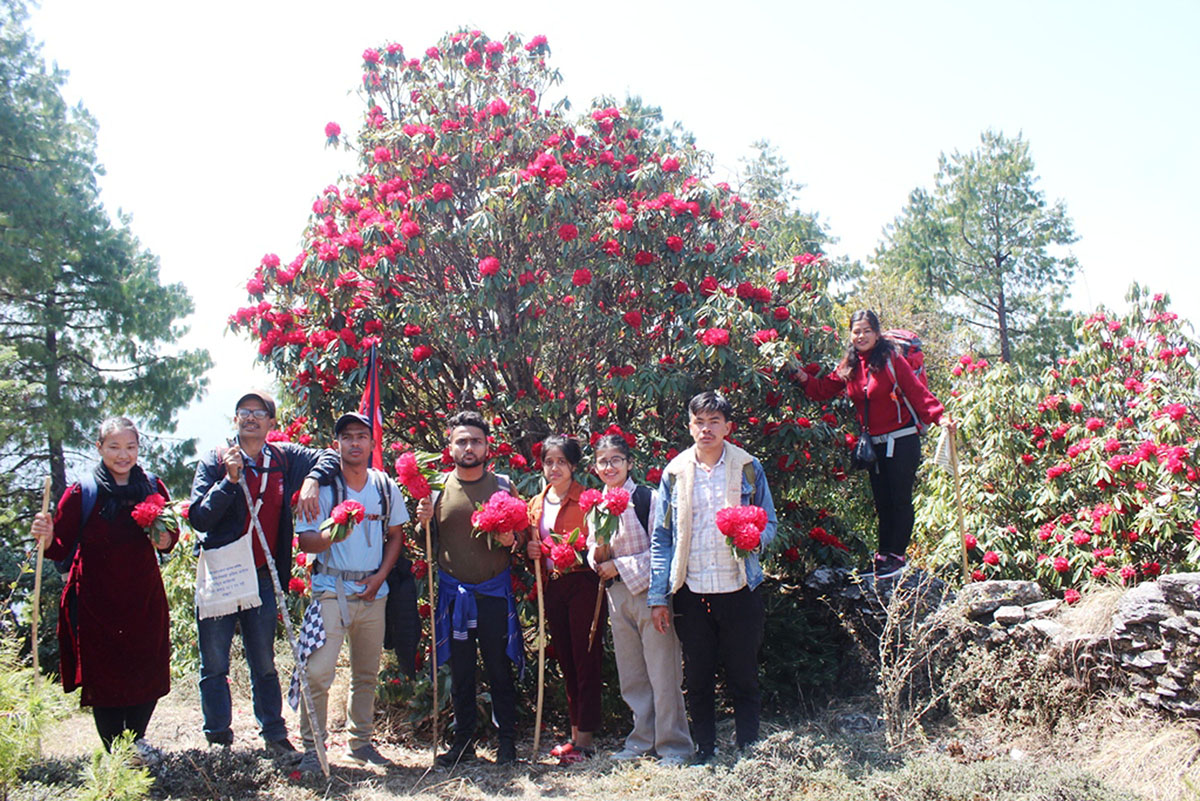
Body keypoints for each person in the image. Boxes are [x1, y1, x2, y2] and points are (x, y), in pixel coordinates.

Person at [188, 389, 338, 755]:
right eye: (244, 411)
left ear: (272, 422)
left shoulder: (283, 457)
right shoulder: (216, 459)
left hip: (262, 576)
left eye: (259, 412)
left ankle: (273, 732)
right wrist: (230, 481)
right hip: (221, 574)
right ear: (236, 419)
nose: (251, 417)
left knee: (264, 660)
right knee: (215, 662)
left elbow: (329, 456)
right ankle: (219, 739)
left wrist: (312, 479)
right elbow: (199, 516)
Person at [30, 417, 177, 761]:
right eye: (114, 447)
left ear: (139, 449)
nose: (123, 455)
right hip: (97, 601)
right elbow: (59, 547)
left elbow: (168, 543)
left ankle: (136, 740)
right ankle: (115, 753)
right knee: (106, 677)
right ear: (99, 448)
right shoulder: (83, 492)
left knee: (147, 668)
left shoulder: (153, 487)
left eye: (130, 447)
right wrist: (47, 535)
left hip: (143, 599)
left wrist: (164, 536)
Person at [648, 390, 777, 765]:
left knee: (744, 674)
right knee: (698, 678)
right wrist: (659, 596)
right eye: (699, 422)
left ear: (728, 427)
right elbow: (663, 538)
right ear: (689, 426)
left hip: (739, 588)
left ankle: (748, 749)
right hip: (692, 591)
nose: (706, 429)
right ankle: (704, 750)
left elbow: (769, 521)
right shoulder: (674, 472)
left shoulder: (749, 466)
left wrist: (753, 537)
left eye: (714, 422)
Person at [294, 413, 408, 772]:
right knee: (318, 672)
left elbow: (396, 537)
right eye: (347, 437)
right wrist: (333, 534)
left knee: (366, 674)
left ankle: (361, 743)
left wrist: (380, 577)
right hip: (331, 589)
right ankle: (314, 747)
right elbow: (306, 539)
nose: (355, 443)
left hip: (374, 591)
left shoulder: (385, 487)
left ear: (373, 445)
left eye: (362, 436)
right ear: (337, 444)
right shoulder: (323, 489)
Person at [796, 309, 949, 578]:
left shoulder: (891, 359)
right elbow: (823, 389)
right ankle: (883, 556)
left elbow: (916, 391)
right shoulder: (850, 365)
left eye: (867, 330)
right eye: (856, 331)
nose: (861, 335)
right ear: (851, 335)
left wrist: (939, 417)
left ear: (877, 334)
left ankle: (897, 556)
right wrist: (802, 378)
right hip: (874, 444)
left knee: (899, 499)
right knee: (882, 501)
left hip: (902, 440)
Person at [414, 410, 525, 767]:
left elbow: (522, 537)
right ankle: (463, 742)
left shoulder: (504, 485)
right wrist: (423, 522)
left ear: (487, 445)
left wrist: (513, 539)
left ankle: (506, 742)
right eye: (461, 440)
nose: (469, 447)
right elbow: (427, 544)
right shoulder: (436, 488)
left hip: (493, 594)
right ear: (450, 447)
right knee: (461, 672)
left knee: (498, 668)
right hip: (453, 596)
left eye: (475, 440)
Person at [587, 434, 691, 766]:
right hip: (618, 595)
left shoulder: (648, 498)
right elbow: (593, 547)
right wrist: (598, 559)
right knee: (632, 674)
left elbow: (663, 551)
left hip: (651, 595)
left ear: (629, 463)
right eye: (603, 461)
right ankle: (641, 740)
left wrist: (618, 564)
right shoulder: (597, 504)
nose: (609, 466)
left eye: (616, 459)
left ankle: (674, 745)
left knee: (663, 673)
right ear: (595, 467)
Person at [525, 435, 605, 765]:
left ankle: (585, 740)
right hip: (552, 587)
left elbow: (601, 543)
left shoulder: (588, 500)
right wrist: (528, 551)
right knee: (566, 659)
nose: (554, 468)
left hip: (583, 583)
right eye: (548, 462)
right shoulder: (535, 503)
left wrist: (580, 551)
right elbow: (530, 545)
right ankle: (574, 735)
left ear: (573, 465)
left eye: (561, 462)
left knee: (586, 658)